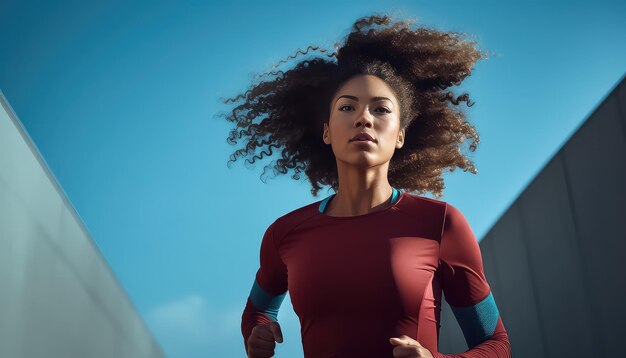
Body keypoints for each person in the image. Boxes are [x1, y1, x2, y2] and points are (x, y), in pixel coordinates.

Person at [220, 13, 511, 358]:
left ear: (400, 135)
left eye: (381, 110)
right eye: (347, 107)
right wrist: (258, 332)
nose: (364, 118)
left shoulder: (441, 223)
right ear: (327, 131)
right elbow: (258, 311)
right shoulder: (283, 234)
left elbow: (497, 346)